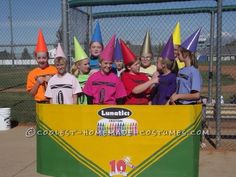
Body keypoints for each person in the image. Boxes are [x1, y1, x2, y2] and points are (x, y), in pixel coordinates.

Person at [83, 35, 127, 105]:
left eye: (110, 63)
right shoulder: (93, 77)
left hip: (110, 108)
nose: (108, 66)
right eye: (105, 63)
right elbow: (89, 96)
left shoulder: (115, 79)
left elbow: (119, 97)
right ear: (100, 63)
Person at [120, 39, 158, 105]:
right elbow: (135, 91)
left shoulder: (143, 76)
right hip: (133, 106)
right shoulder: (125, 76)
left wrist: (154, 81)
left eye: (138, 63)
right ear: (129, 67)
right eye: (136, 64)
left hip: (144, 105)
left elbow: (148, 91)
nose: (139, 66)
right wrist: (151, 81)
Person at [170, 29, 202, 105]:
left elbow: (196, 95)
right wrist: (174, 96)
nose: (177, 57)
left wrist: (178, 96)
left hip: (188, 106)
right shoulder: (181, 70)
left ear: (185, 54)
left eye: (179, 54)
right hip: (178, 104)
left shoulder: (194, 72)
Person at [26, 29, 57, 103]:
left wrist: (52, 81)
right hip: (40, 103)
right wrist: (37, 83)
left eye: (44, 57)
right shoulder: (32, 74)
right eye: (39, 58)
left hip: (54, 102)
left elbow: (61, 88)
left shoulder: (55, 70)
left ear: (48, 57)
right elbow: (31, 93)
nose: (41, 60)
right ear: (36, 58)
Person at [152, 35, 177, 105]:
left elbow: (170, 93)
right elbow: (155, 92)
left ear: (163, 65)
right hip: (155, 105)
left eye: (158, 62)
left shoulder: (172, 77)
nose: (156, 63)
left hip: (164, 106)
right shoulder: (159, 76)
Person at [71, 37, 96, 104]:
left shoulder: (91, 76)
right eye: (85, 64)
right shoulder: (74, 77)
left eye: (88, 64)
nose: (88, 66)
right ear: (78, 66)